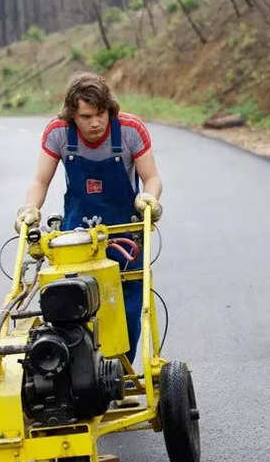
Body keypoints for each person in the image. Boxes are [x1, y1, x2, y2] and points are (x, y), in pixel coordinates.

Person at [15, 72, 163, 367]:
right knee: (70, 301)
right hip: (78, 235)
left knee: (130, 307)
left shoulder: (131, 130)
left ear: (110, 109)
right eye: (86, 116)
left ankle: (121, 369)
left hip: (125, 234)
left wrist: (150, 198)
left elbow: (152, 177)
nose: (95, 123)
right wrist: (29, 209)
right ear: (72, 115)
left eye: (101, 114)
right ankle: (76, 371)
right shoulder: (58, 133)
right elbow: (40, 180)